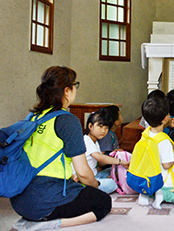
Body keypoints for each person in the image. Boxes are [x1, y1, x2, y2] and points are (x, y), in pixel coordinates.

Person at [10, 66, 111, 231]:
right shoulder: (67, 120)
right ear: (66, 91)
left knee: (78, 188)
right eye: (74, 85)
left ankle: (33, 219)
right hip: (45, 199)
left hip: (19, 200)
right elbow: (83, 173)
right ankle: (46, 224)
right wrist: (95, 187)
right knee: (103, 202)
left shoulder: (33, 117)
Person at [138, 96, 174, 209]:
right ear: (164, 118)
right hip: (164, 182)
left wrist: (166, 124)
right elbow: (167, 164)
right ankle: (163, 195)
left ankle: (147, 193)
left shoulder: (146, 135)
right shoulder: (164, 141)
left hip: (148, 178)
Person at [79, 108, 129, 194]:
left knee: (113, 170)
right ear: (90, 126)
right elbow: (100, 157)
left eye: (106, 128)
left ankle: (108, 179)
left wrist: (113, 156)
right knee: (112, 184)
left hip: (95, 175)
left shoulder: (95, 142)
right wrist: (120, 162)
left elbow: (101, 163)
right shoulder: (86, 140)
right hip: (87, 179)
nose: (103, 131)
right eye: (100, 126)